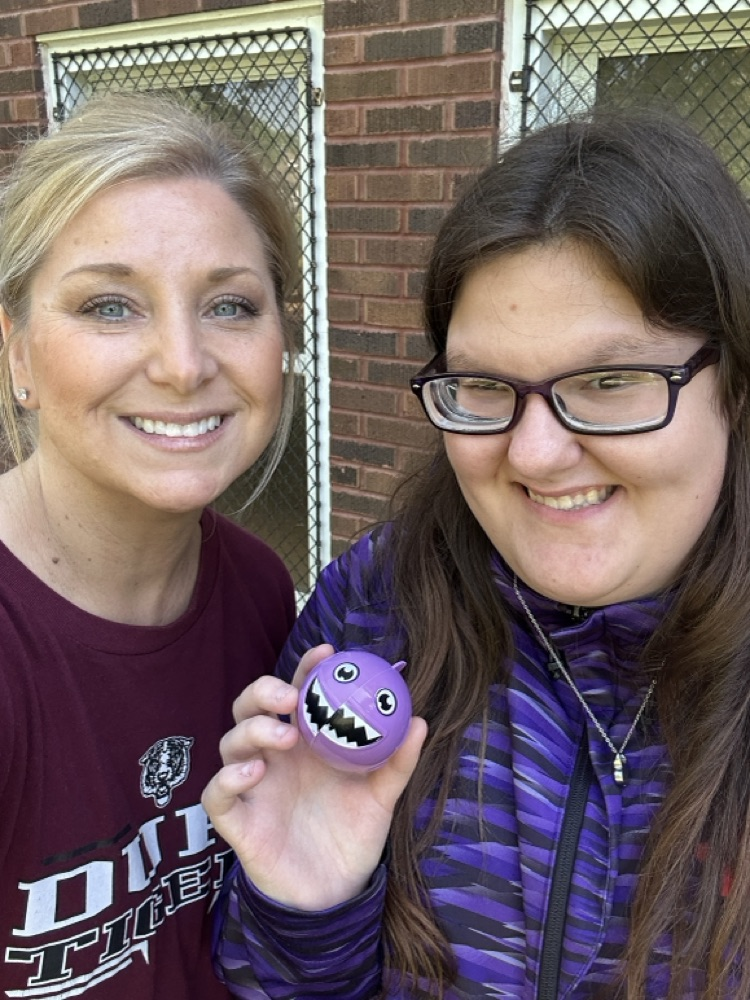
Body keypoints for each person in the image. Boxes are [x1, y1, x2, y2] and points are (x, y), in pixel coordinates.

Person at [203, 106, 750, 1000]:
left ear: (734, 380)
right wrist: (308, 910)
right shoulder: (378, 609)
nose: (533, 455)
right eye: (486, 387)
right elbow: (271, 981)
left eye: (609, 381)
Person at [0, 90, 299, 998]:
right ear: (16, 357)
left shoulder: (258, 590)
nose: (181, 362)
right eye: (110, 306)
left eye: (232, 306)